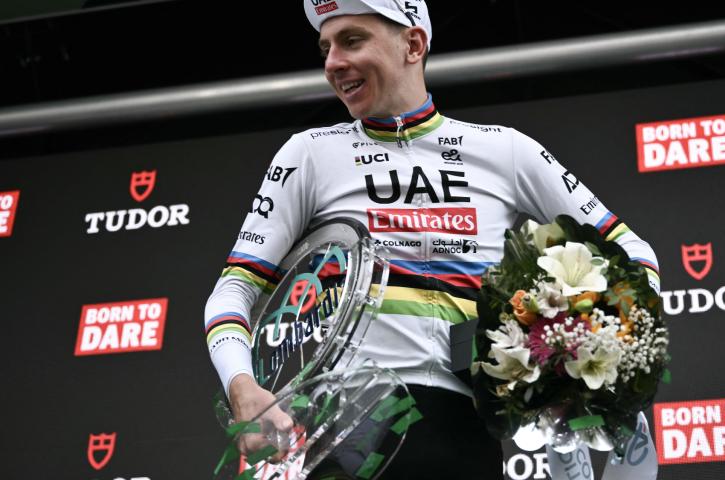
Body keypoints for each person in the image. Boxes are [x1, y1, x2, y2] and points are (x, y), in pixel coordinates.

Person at [204, 0, 661, 477]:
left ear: (413, 43)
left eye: (352, 40)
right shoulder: (310, 153)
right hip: (343, 430)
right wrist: (243, 386)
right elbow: (234, 290)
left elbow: (635, 255)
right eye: (325, 47)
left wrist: (583, 343)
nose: (333, 62)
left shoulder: (504, 148)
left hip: (463, 430)